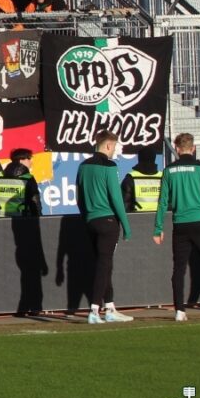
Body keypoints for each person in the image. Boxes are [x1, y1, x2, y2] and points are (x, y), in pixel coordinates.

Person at [153, 133, 200, 322]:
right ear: (193, 148)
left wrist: (158, 227)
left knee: (179, 268)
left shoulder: (169, 171)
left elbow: (162, 202)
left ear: (177, 149)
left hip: (180, 224)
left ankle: (179, 310)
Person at [77, 131, 132, 323]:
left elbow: (80, 197)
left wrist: (86, 218)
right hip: (108, 222)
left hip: (91, 221)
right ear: (108, 146)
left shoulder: (83, 166)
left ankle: (109, 307)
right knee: (104, 265)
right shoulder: (109, 166)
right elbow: (116, 198)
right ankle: (94, 310)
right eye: (114, 147)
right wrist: (126, 225)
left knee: (104, 264)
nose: (115, 150)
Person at [0, 148, 42, 217]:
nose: (31, 162)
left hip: (0, 218)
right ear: (21, 160)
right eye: (28, 158)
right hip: (22, 220)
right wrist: (39, 219)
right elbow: (35, 203)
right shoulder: (28, 178)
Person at [122, 148, 162, 213]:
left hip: (137, 218)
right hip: (161, 218)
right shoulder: (163, 177)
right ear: (154, 158)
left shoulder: (131, 177)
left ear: (139, 158)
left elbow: (125, 204)